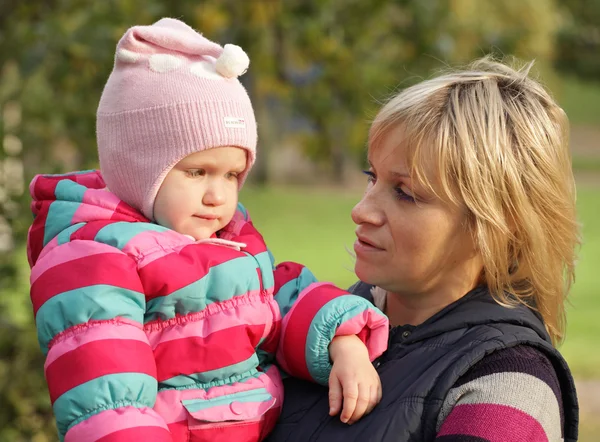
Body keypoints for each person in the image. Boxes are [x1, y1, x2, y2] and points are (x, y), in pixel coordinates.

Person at [26, 18, 389, 442]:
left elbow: (276, 301)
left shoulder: (228, 236)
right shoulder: (95, 255)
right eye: (197, 172)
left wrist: (342, 341)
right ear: (138, 168)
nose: (218, 195)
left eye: (233, 175)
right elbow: (110, 402)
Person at [266, 58, 580, 442]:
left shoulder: (509, 386)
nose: (361, 210)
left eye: (405, 193)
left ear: (497, 222)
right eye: (372, 177)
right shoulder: (327, 322)